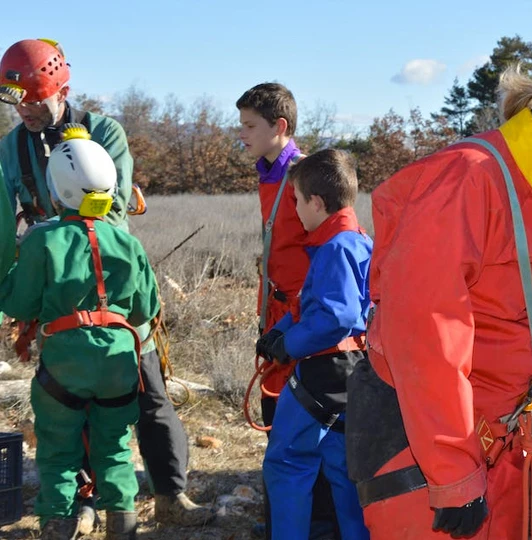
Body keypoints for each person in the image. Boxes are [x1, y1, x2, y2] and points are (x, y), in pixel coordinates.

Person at [346, 64, 532, 539]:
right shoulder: (468, 180)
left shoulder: (524, 191)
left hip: (489, 439)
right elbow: (424, 334)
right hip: (425, 452)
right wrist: (453, 477)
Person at [0, 38, 211, 528]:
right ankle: (91, 503)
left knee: (148, 393)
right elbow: (8, 221)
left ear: (61, 89)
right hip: (55, 287)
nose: (26, 111)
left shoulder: (104, 132)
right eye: (18, 103)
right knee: (69, 400)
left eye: (35, 100)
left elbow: (112, 210)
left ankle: (170, 494)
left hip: (109, 283)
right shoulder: (11, 148)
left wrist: (59, 231)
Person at [0, 127, 159, 539]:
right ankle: (122, 527)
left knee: (57, 451)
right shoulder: (128, 244)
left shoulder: (42, 241)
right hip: (120, 365)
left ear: (58, 192)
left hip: (65, 367)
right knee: (115, 449)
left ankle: (58, 523)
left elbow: (19, 305)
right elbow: (147, 309)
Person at [236, 82, 340, 538]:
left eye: (249, 125)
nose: (241, 133)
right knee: (282, 416)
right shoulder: (269, 173)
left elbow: (330, 248)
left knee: (307, 421)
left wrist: (299, 320)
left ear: (279, 127)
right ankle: (287, 517)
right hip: (279, 315)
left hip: (304, 323)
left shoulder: (304, 178)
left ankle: (314, 523)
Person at [257, 149, 372, 540]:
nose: (295, 210)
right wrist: (280, 331)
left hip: (321, 375)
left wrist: (289, 344)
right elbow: (316, 304)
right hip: (353, 374)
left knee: (287, 462)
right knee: (343, 470)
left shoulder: (335, 248)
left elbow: (335, 316)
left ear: (316, 202)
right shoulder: (357, 241)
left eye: (296, 200)